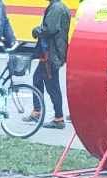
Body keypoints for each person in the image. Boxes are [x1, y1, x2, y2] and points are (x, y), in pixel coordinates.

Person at [34, 0, 71, 129]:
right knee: (37, 79)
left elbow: (50, 29)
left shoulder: (56, 8)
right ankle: (37, 111)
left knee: (52, 86)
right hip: (51, 52)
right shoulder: (59, 7)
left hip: (51, 54)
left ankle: (59, 118)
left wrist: (36, 30)